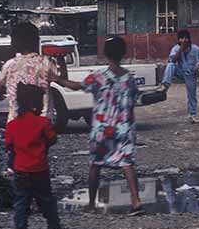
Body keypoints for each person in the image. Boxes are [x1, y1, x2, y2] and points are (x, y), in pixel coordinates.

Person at [53, 36, 143, 214]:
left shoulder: (98, 77)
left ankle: (92, 203)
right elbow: (133, 101)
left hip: (102, 129)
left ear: (105, 54)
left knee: (96, 164)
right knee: (127, 163)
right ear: (123, 54)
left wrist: (56, 78)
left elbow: (75, 85)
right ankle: (135, 199)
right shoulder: (129, 79)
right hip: (124, 128)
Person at [4, 83, 61, 229]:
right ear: (33, 103)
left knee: (21, 201)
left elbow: (9, 146)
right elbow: (52, 139)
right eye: (40, 101)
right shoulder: (42, 123)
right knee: (46, 199)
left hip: (20, 168)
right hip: (39, 168)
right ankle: (54, 227)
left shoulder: (12, 125)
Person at [0, 21, 58, 123]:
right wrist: (60, 59)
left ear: (15, 42)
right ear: (36, 41)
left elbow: (0, 92)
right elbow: (62, 80)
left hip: (16, 124)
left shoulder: (9, 65)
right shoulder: (47, 62)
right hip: (42, 123)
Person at [162, 29, 199, 124]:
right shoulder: (176, 48)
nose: (184, 40)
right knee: (170, 65)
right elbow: (172, 60)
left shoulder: (195, 48)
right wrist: (181, 49)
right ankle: (165, 85)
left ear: (189, 39)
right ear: (179, 40)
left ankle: (192, 115)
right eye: (182, 38)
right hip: (179, 71)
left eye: (186, 38)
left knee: (192, 95)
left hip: (190, 74)